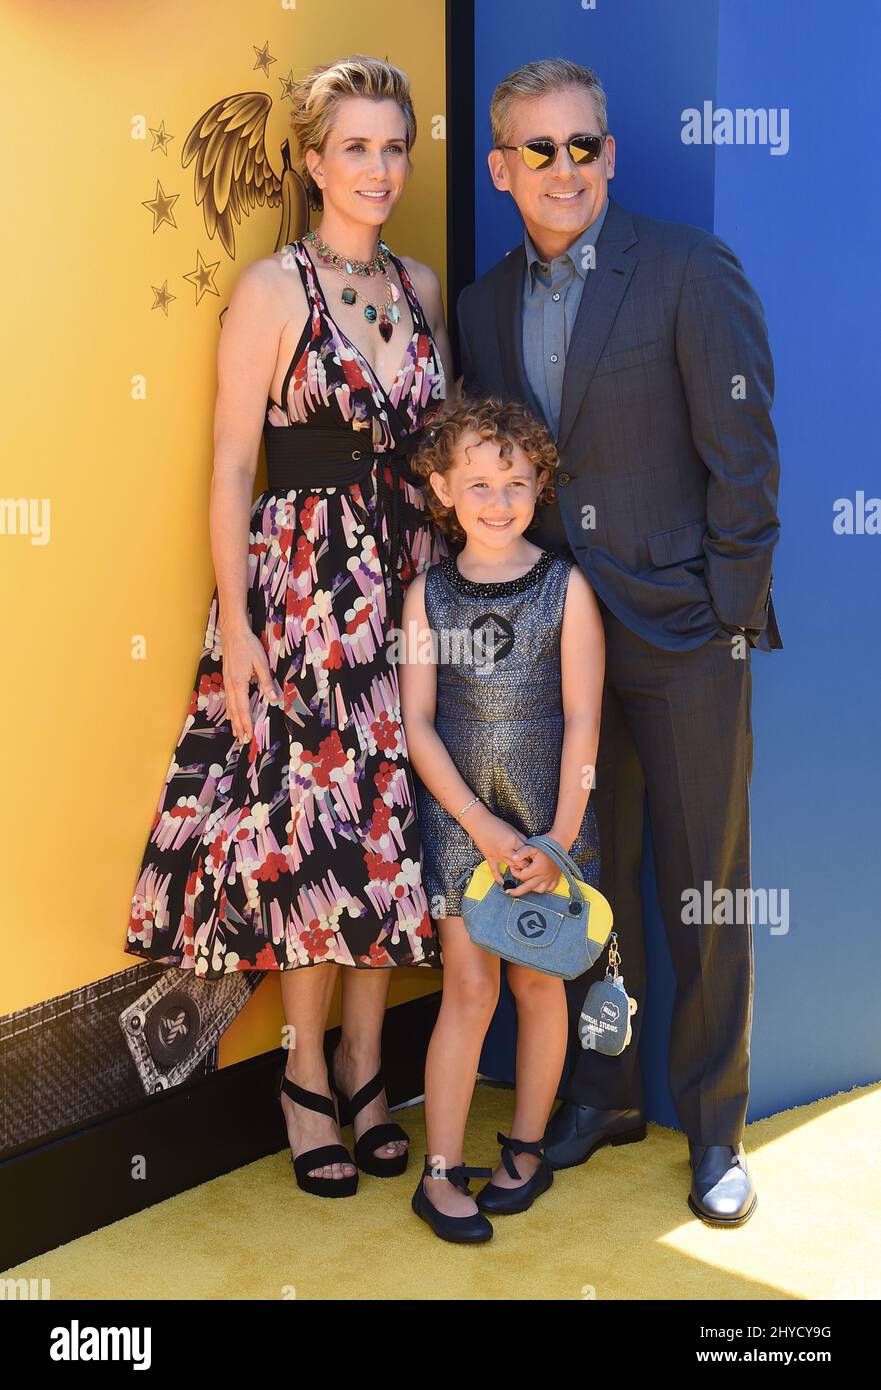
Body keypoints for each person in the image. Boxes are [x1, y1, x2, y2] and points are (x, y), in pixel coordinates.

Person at [456, 58, 782, 1226]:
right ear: (499, 168)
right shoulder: (483, 306)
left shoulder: (689, 271)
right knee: (585, 883)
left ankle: (716, 1129)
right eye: (536, 150)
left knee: (704, 888)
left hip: (686, 643)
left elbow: (744, 460)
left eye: (581, 146)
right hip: (554, 662)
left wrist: (723, 614)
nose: (563, 169)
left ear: (609, 154)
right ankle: (603, 1096)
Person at [125, 55, 453, 1198]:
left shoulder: (418, 287)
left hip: (404, 582)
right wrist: (241, 626)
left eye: (393, 146)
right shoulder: (273, 290)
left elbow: (438, 449)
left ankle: (370, 1061)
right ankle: (303, 1068)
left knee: (390, 826)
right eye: (354, 147)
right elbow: (228, 464)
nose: (378, 168)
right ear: (312, 162)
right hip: (302, 590)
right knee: (312, 836)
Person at [399, 394, 605, 1242]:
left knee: (537, 981)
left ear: (538, 487)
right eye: (477, 483)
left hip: (551, 824)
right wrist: (479, 825)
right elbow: (415, 725)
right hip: (461, 824)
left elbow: (585, 723)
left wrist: (557, 840)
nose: (496, 500)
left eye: (515, 482)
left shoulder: (567, 587)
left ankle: (526, 1147)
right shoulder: (427, 597)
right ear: (443, 489)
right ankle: (440, 1171)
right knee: (471, 986)